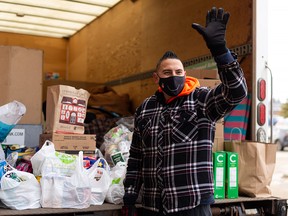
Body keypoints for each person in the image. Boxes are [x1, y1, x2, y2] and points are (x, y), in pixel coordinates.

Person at [121, 7, 247, 216]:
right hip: (153, 206)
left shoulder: (201, 100)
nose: (174, 76)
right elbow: (136, 157)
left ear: (185, 74)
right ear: (156, 78)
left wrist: (220, 50)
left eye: (178, 72)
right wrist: (130, 196)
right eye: (167, 72)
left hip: (192, 204)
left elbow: (236, 92)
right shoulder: (145, 109)